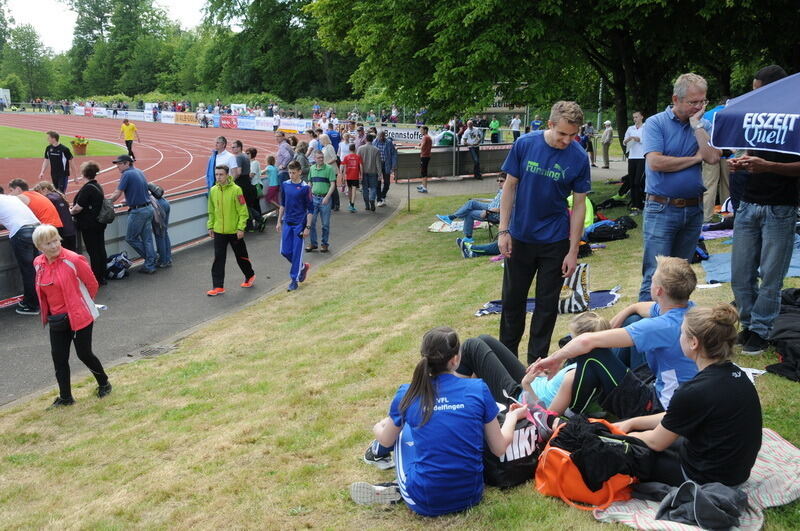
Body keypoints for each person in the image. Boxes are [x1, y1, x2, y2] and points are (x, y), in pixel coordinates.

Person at [352, 327, 530, 514]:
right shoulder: (478, 388)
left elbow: (387, 439)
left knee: (401, 429)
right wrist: (511, 417)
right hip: (471, 495)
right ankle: (388, 467)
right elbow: (499, 447)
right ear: (455, 360)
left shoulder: (408, 393)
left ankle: (385, 467)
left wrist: (377, 427)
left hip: (425, 500)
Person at [530, 256, 699, 418]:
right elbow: (640, 308)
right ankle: (576, 381)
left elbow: (586, 341)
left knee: (592, 353)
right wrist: (627, 310)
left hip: (658, 407)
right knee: (632, 318)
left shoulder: (660, 326)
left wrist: (555, 358)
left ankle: (566, 414)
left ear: (659, 290)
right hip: (668, 388)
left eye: (653, 279)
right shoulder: (688, 308)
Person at [615, 303, 762, 487]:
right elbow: (677, 417)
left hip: (706, 478)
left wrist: (617, 434)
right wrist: (633, 423)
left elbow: (655, 442)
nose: (679, 338)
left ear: (693, 343)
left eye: (682, 333)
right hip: (735, 473)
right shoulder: (739, 376)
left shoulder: (693, 391)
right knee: (656, 436)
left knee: (628, 450)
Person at [498, 101, 590, 364]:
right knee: (512, 303)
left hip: (555, 241)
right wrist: (504, 230)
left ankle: (536, 365)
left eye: (573, 135)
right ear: (550, 125)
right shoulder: (525, 144)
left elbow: (580, 204)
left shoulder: (579, 157)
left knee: (546, 307)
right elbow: (509, 187)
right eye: (562, 134)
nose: (567, 140)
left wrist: (573, 251)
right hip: (521, 238)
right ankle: (507, 363)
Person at [729, 65, 800, 355]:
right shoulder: (756, 116)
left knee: (771, 275)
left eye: (759, 90)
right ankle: (748, 325)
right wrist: (741, 161)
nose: (754, 95)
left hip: (780, 208)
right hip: (748, 204)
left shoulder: (795, 116)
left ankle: (761, 330)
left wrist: (768, 166)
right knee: (740, 273)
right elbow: (752, 152)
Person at [638, 73, 720, 302]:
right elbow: (655, 162)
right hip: (661, 208)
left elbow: (713, 157)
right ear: (676, 99)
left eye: (703, 101)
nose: (699, 107)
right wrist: (694, 159)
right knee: (655, 277)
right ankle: (645, 332)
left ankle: (675, 331)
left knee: (681, 277)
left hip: (694, 209)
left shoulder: (705, 125)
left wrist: (697, 128)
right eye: (693, 102)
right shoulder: (656, 123)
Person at [32, 224, 112, 409]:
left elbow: (92, 283)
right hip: (57, 319)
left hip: (79, 315)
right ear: (39, 247)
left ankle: (104, 383)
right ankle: (65, 397)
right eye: (47, 243)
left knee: (84, 354)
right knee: (59, 358)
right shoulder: (38, 263)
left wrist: (81, 304)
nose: (53, 246)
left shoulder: (74, 259)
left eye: (55, 241)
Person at [206, 165, 255, 296]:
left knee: (241, 256)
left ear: (227, 175)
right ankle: (218, 286)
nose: (218, 177)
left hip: (234, 231)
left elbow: (243, 211)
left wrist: (240, 228)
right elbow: (211, 210)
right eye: (216, 174)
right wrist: (210, 226)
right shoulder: (213, 191)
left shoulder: (237, 190)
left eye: (221, 174)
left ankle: (249, 275)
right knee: (218, 258)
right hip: (219, 231)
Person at [108, 155, 158, 274]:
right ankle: (150, 263)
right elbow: (140, 190)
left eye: (119, 164)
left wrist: (107, 202)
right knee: (147, 239)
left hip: (138, 211)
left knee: (131, 238)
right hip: (147, 208)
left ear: (127, 163)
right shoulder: (139, 171)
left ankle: (151, 259)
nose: (117, 166)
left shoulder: (126, 174)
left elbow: (117, 193)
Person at [0, 186, 42, 315]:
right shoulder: (11, 198)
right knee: (37, 268)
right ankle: (38, 300)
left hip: (22, 232)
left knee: (28, 270)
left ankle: (32, 305)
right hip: (37, 229)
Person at [276, 161, 313, 292]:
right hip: (287, 222)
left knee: (297, 253)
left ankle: (294, 280)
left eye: (293, 173)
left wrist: (307, 227)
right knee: (284, 251)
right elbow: (283, 204)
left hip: (299, 225)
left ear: (299, 172)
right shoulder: (285, 185)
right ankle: (302, 267)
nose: (291, 175)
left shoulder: (305, 188)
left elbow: (310, 209)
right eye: (290, 173)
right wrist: (279, 221)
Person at [436, 173, 505, 242]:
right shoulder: (502, 189)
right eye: (497, 180)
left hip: (494, 214)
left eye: (501, 181)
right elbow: (496, 201)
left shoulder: (507, 193)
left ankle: (468, 237)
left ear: (507, 181)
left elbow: (503, 209)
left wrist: (487, 211)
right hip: (490, 206)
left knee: (469, 213)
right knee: (472, 202)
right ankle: (450, 218)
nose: (499, 182)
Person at [70, 161, 108, 284]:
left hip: (89, 224)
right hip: (99, 223)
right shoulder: (97, 186)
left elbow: (78, 207)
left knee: (93, 251)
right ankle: (102, 275)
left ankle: (96, 277)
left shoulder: (87, 189)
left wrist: (70, 212)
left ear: (83, 174)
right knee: (100, 248)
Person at [33, 181, 78, 252]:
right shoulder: (58, 195)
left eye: (39, 192)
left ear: (44, 190)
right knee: (72, 253)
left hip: (62, 231)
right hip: (70, 229)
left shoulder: (49, 199)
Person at [306, 151, 337, 253]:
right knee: (311, 222)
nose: (321, 159)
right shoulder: (312, 168)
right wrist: (309, 194)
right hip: (314, 198)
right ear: (314, 159)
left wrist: (327, 197)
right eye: (318, 158)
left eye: (322, 157)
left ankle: (324, 244)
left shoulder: (329, 169)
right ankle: (313, 243)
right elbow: (310, 182)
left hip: (325, 199)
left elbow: (333, 184)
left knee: (325, 224)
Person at [231, 140, 261, 232]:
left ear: (239, 147)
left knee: (243, 205)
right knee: (246, 205)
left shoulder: (239, 157)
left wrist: (230, 180)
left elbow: (238, 172)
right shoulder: (245, 155)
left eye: (234, 147)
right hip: (247, 183)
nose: (232, 149)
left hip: (241, 184)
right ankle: (252, 224)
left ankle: (257, 220)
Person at [623, 111, 646, 210]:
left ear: (641, 117)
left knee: (638, 181)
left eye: (637, 117)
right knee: (632, 182)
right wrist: (627, 140)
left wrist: (638, 139)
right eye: (634, 117)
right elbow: (624, 141)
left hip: (641, 157)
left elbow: (648, 140)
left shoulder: (646, 127)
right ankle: (634, 204)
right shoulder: (630, 128)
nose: (635, 119)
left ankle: (640, 203)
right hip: (632, 157)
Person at [148, 183, 172, 268]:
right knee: (164, 233)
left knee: (159, 235)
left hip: (158, 206)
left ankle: (163, 261)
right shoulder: (150, 184)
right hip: (164, 202)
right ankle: (168, 259)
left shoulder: (144, 186)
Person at [372, 130, 397, 206]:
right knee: (378, 183)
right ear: (378, 136)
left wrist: (393, 166)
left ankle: (383, 196)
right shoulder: (374, 142)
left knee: (387, 183)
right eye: (380, 136)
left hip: (387, 165)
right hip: (377, 165)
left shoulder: (389, 142)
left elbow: (394, 154)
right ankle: (379, 200)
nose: (382, 137)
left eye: (383, 136)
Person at [358, 134, 382, 212]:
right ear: (372, 140)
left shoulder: (360, 149)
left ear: (365, 140)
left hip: (363, 172)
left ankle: (367, 205)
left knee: (365, 189)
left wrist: (358, 173)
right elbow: (378, 163)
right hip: (373, 172)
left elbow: (358, 162)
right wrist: (379, 174)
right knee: (373, 188)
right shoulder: (376, 150)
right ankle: (372, 199)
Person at [318, 133, 340, 211]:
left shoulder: (330, 147)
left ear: (324, 140)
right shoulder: (324, 148)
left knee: (333, 188)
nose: (319, 141)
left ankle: (336, 204)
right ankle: (332, 204)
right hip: (327, 170)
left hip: (332, 170)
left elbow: (334, 158)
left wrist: (326, 163)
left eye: (320, 139)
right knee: (329, 187)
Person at [341, 143, 362, 212]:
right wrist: (361, 175)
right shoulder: (358, 157)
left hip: (348, 176)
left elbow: (344, 167)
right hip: (355, 176)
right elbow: (361, 166)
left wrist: (343, 176)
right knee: (354, 190)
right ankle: (352, 204)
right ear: (355, 149)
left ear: (349, 149)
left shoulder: (346, 157)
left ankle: (350, 203)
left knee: (349, 189)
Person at [417, 126, 432, 193]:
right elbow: (425, 145)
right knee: (424, 172)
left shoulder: (425, 137)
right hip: (427, 156)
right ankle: (423, 185)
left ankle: (425, 188)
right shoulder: (428, 137)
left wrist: (417, 147)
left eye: (422, 130)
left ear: (425, 130)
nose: (420, 131)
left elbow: (421, 147)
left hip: (424, 156)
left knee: (424, 172)